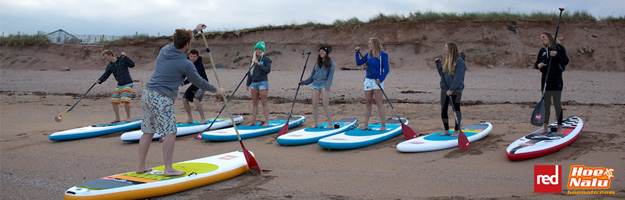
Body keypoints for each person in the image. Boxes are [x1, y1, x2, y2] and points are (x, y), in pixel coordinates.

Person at [137, 24, 225, 176]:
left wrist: (195, 30)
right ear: (187, 45)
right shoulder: (186, 64)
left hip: (147, 94)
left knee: (147, 131)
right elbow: (200, 82)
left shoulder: (165, 49)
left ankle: (140, 166)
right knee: (170, 132)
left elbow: (181, 40)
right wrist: (217, 90)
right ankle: (168, 169)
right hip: (161, 98)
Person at [534, 31, 569, 135]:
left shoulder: (559, 48)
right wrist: (538, 65)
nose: (542, 39)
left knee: (557, 103)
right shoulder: (542, 51)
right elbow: (536, 64)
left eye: (543, 37)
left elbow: (566, 61)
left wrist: (556, 55)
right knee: (546, 104)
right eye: (541, 38)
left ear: (549, 37)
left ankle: (559, 128)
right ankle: (545, 127)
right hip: (545, 80)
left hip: (556, 79)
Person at [355, 37, 389, 131]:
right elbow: (359, 63)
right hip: (368, 80)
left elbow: (386, 69)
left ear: (375, 44)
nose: (369, 45)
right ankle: (365, 124)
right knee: (368, 103)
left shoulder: (383, 54)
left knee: (379, 103)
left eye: (370, 43)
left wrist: (381, 80)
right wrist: (357, 53)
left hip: (377, 80)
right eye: (368, 43)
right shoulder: (368, 54)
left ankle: (383, 125)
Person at [435, 42, 466, 137]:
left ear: (451, 49)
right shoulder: (447, 60)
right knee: (443, 110)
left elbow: (458, 77)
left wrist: (451, 89)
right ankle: (446, 130)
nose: (444, 49)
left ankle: (456, 130)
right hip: (445, 89)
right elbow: (443, 76)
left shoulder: (459, 61)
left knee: (456, 109)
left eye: (446, 48)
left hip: (456, 90)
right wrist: (438, 65)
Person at [300, 46, 335, 129]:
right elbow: (312, 76)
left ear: (326, 52)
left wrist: (327, 86)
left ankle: (330, 124)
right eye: (320, 51)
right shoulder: (317, 63)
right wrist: (304, 82)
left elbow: (330, 75)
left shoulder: (331, 62)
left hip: (324, 84)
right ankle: (315, 123)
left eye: (323, 51)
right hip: (315, 84)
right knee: (314, 104)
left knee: (325, 104)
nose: (321, 53)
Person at [97, 50, 135, 123]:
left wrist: (125, 57)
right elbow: (106, 75)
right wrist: (99, 80)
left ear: (110, 55)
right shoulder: (110, 66)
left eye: (106, 57)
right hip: (119, 85)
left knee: (125, 100)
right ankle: (117, 118)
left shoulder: (122, 59)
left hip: (128, 83)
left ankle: (128, 117)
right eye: (104, 58)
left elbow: (132, 65)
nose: (106, 59)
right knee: (114, 101)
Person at [245, 41, 272, 126]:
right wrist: (247, 83)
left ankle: (267, 122)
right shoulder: (253, 60)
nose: (258, 50)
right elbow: (250, 72)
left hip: (263, 82)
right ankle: (253, 121)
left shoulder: (266, 59)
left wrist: (259, 64)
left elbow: (267, 70)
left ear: (262, 50)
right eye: (257, 49)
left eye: (260, 49)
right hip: (254, 83)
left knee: (264, 102)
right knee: (254, 103)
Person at [181, 49, 209, 124]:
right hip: (195, 84)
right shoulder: (187, 62)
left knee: (195, 100)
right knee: (184, 99)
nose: (192, 58)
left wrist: (183, 83)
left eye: (194, 57)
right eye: (191, 56)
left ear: (197, 57)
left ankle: (203, 119)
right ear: (189, 56)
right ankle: (190, 118)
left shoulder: (199, 65)